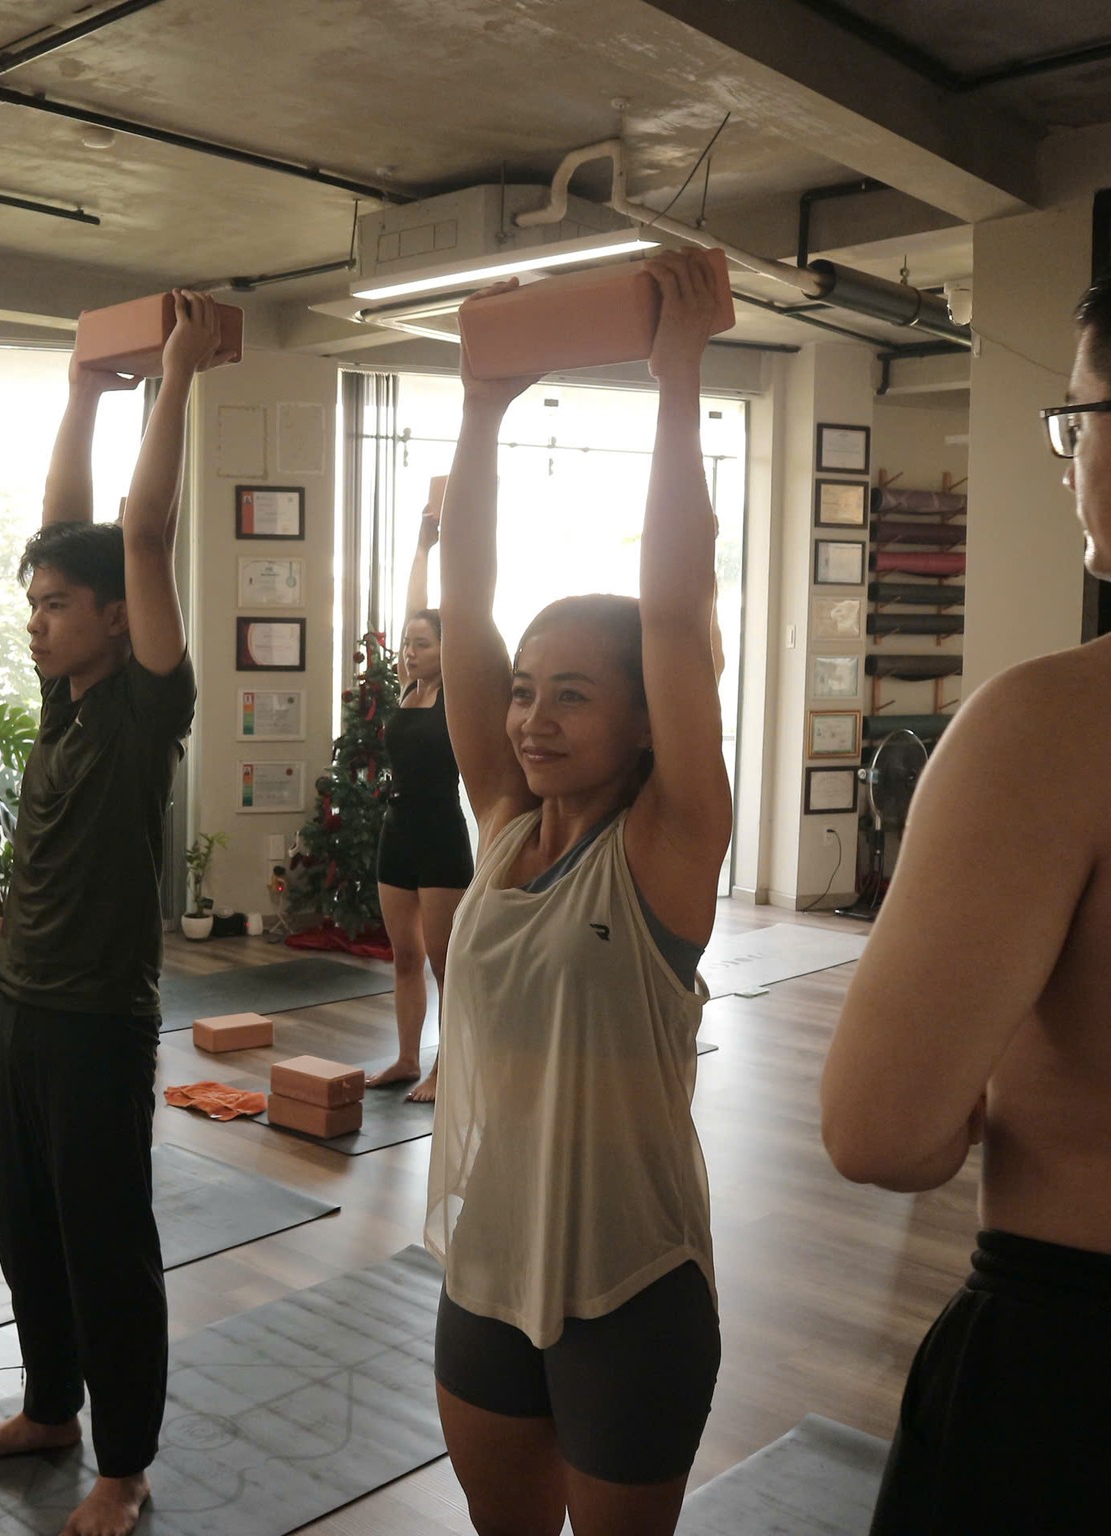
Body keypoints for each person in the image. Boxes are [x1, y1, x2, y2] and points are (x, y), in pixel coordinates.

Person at [820, 210, 1111, 1534]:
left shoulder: (1054, 724)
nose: (1069, 461)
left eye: (1073, 423)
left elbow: (879, 1131)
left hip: (1106, 1375)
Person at [425, 250, 732, 1536]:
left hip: (630, 1288)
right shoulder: (502, 822)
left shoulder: (670, 844)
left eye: (571, 694)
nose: (531, 717)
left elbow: (673, 611)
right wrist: (480, 411)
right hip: (484, 1273)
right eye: (522, 691)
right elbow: (465, 606)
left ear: (646, 718)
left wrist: (677, 381)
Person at [0, 293, 227, 1536]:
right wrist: (77, 393)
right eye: (35, 601)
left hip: (96, 1023)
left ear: (117, 617)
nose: (36, 618)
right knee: (25, 1226)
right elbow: (68, 523)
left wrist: (174, 373)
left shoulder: (141, 708)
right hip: (17, 1008)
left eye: (57, 603)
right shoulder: (66, 700)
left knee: (105, 1245)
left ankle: (124, 1465)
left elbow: (139, 532)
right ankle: (49, 1409)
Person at [368, 499, 474, 1101]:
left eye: (423, 644)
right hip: (398, 830)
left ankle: (445, 1068)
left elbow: (446, 614)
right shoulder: (409, 688)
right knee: (404, 957)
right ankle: (408, 1059)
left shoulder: (456, 690)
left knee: (443, 962)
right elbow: (413, 608)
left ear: (446, 648)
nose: (410, 651)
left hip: (440, 835)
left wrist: (448, 545)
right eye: (407, 644)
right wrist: (421, 547)